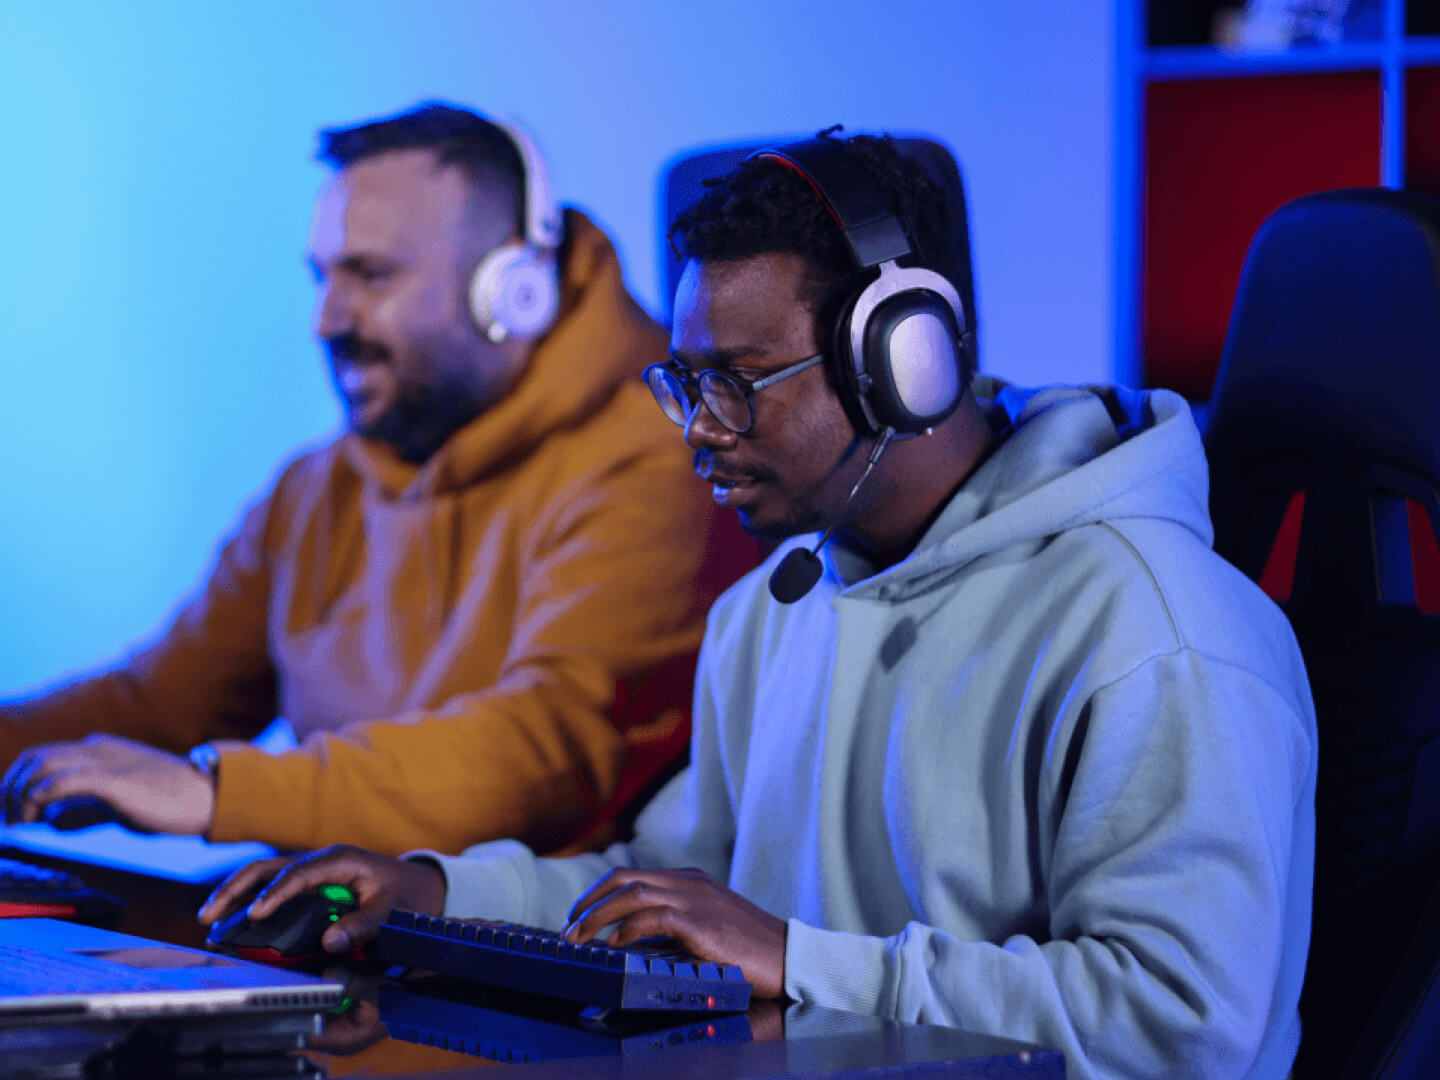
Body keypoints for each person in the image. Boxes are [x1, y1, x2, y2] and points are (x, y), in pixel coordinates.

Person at [200, 130, 1317, 1080]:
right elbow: (671, 894)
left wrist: (802, 958)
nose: (696, 429)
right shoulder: (773, 609)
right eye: (682, 383)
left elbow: (1185, 1028)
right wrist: (435, 890)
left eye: (736, 381)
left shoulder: (1157, 632)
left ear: (905, 363)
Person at [0, 102, 737, 858]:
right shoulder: (320, 486)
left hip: (519, 946)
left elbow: (540, 758)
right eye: (323, 276)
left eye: (371, 275)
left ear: (513, 290)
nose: (326, 318)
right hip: (335, 920)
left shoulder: (660, 457)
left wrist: (219, 793)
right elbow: (162, 704)